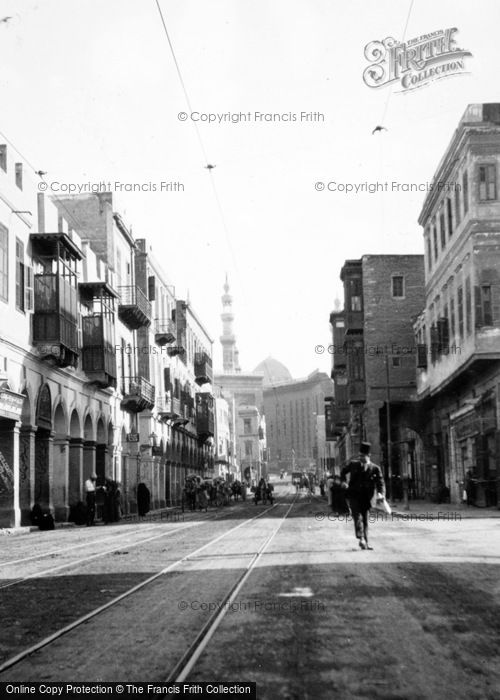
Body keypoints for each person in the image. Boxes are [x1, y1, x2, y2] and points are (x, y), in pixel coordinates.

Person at [341, 442, 385, 550]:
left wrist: (381, 494)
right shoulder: (353, 464)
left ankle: (366, 541)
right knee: (358, 517)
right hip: (354, 496)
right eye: (359, 456)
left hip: (367, 499)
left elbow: (381, 483)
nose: (360, 458)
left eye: (363, 456)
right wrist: (343, 482)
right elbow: (343, 472)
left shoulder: (375, 468)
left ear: (368, 456)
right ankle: (361, 539)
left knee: (365, 520)